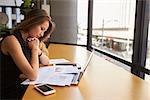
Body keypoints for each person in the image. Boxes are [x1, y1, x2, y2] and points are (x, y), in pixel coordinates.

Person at [0, 9, 55, 99]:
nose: (42, 34)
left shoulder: (29, 40)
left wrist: (37, 50)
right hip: (6, 91)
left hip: (19, 85)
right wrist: (34, 49)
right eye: (41, 29)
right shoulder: (12, 41)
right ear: (33, 22)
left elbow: (46, 62)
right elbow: (33, 75)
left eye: (44, 31)